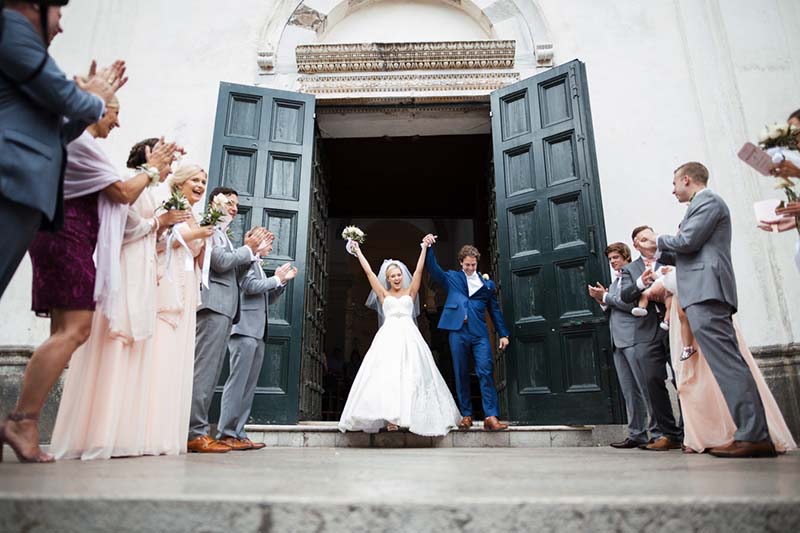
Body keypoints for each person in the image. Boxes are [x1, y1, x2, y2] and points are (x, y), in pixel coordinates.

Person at [0, 100, 177, 463]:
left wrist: (154, 171)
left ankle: (22, 420)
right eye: (113, 110)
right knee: (75, 331)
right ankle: (22, 420)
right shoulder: (80, 142)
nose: (117, 119)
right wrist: (154, 170)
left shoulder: (83, 144)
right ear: (91, 108)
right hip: (68, 239)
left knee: (67, 332)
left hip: (67, 238)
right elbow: (123, 194)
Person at [48, 139, 191, 460]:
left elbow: (147, 235)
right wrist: (159, 223)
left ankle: (125, 433)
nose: (170, 168)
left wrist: (163, 231)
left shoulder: (152, 192)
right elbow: (122, 229)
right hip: (126, 269)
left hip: (144, 270)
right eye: (166, 160)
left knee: (135, 348)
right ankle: (99, 433)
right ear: (147, 155)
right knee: (116, 342)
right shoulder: (131, 186)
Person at [644, 161, 775, 458]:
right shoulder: (700, 205)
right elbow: (693, 248)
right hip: (701, 291)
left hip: (707, 292)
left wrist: (659, 241)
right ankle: (750, 432)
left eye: (675, 183)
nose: (673, 189)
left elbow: (688, 241)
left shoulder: (708, 201)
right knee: (724, 364)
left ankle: (753, 435)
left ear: (687, 179)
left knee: (728, 364)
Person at [0, 0, 127, 298]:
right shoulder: (11, 28)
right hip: (10, 180)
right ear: (35, 5)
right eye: (59, 12)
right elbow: (67, 98)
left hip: (25, 191)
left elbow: (58, 131)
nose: (60, 25)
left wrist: (89, 102)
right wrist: (95, 98)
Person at [660, 267, 796, 454]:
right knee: (695, 383)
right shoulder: (677, 264)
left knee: (710, 379)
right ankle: (702, 435)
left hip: (696, 317)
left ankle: (730, 433)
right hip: (683, 320)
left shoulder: (692, 258)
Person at [338, 240, 461, 436]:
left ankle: (410, 417)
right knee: (387, 375)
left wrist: (423, 249)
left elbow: (419, 271)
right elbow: (369, 272)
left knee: (411, 375)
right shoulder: (383, 294)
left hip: (410, 338)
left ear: (402, 276)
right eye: (392, 276)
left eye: (398, 275)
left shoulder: (410, 292)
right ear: (387, 279)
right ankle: (390, 418)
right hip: (387, 339)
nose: (396, 278)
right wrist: (358, 251)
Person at [188, 188, 269, 453]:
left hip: (225, 309)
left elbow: (232, 269)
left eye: (236, 204)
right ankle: (194, 432)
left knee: (210, 374)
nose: (234, 207)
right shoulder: (209, 227)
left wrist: (250, 253)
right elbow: (220, 262)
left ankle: (204, 431)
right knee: (204, 371)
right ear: (214, 203)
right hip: (214, 306)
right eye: (229, 203)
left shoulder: (224, 235)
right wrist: (249, 249)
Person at [146, 164, 215, 456]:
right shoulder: (169, 208)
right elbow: (160, 242)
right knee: (163, 352)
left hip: (188, 286)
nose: (200, 185)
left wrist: (201, 234)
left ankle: (169, 433)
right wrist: (200, 233)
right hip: (169, 282)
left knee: (179, 358)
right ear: (180, 183)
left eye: (203, 181)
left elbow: (196, 249)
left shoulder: (193, 214)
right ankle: (151, 430)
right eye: (195, 180)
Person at [422, 234, 510, 431]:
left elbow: (494, 311)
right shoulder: (453, 278)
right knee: (460, 372)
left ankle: (491, 416)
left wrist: (503, 334)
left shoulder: (487, 285)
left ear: (477, 263)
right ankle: (466, 415)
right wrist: (428, 248)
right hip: (458, 331)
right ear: (461, 263)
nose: (470, 268)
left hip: (479, 334)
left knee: (485, 371)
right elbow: (434, 270)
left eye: (473, 265)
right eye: (467, 265)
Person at [216, 237, 298, 450]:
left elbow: (264, 298)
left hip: (257, 332)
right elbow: (249, 286)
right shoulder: (247, 262)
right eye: (268, 241)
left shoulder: (258, 265)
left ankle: (239, 433)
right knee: (237, 384)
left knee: (248, 386)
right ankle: (226, 433)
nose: (272, 246)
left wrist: (281, 283)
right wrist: (276, 279)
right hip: (244, 330)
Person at [617, 225, 683, 451]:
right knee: (652, 380)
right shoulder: (630, 269)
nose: (648, 240)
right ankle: (668, 434)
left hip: (675, 324)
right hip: (645, 331)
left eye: (650, 236)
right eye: (642, 239)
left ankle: (689, 431)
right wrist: (640, 283)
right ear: (635, 244)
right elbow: (625, 295)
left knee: (682, 378)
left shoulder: (670, 256)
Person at [588, 243, 655, 449]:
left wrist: (607, 297)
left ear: (626, 256)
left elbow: (630, 304)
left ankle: (659, 432)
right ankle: (637, 434)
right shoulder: (615, 282)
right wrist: (603, 301)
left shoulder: (633, 276)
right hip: (617, 341)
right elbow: (613, 310)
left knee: (645, 387)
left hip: (634, 338)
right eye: (610, 259)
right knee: (629, 390)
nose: (613, 262)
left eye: (616, 257)